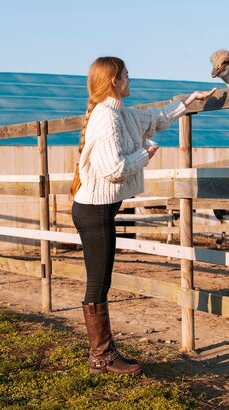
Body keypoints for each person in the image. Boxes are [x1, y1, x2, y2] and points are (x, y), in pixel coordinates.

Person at [71, 56, 216, 375]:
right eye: (126, 74)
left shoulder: (118, 113)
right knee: (98, 283)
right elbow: (113, 169)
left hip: (96, 210)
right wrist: (145, 154)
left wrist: (188, 101)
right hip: (94, 213)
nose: (130, 78)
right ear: (114, 81)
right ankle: (102, 358)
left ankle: (103, 355)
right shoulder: (106, 117)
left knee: (101, 281)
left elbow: (156, 118)